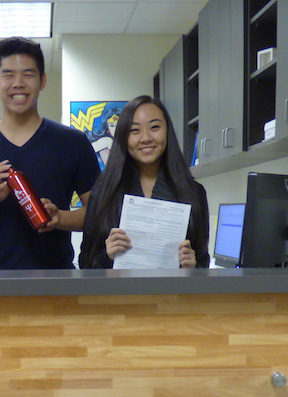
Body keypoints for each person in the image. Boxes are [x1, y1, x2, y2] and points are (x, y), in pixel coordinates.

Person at [0, 37, 100, 269]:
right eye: (8, 75)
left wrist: (60, 218)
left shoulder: (72, 142)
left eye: (28, 74)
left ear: (42, 81)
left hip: (57, 284)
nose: (18, 83)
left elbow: (99, 213)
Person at [79, 95, 210, 269]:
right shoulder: (104, 191)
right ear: (123, 137)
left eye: (154, 127)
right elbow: (85, 263)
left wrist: (193, 266)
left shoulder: (193, 192)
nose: (146, 138)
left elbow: (203, 261)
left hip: (172, 294)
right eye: (135, 131)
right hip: (118, 295)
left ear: (168, 132)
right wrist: (107, 256)